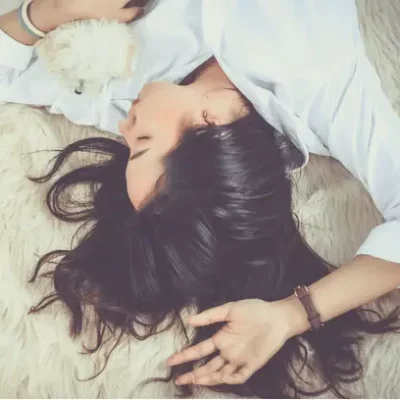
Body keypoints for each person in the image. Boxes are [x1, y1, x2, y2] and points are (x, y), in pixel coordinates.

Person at [1, 0, 400, 397]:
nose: (124, 125)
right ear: (212, 126)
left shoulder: (120, 89)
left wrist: (45, 13)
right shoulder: (321, 84)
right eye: (141, 143)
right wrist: (292, 315)